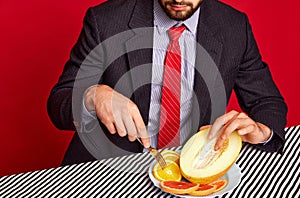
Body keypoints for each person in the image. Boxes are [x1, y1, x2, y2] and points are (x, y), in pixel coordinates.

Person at [47, 0, 287, 165]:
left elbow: (267, 101)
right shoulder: (105, 21)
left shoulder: (234, 26)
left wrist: (263, 131)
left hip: (193, 166)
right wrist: (92, 96)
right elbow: (59, 102)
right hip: (110, 166)